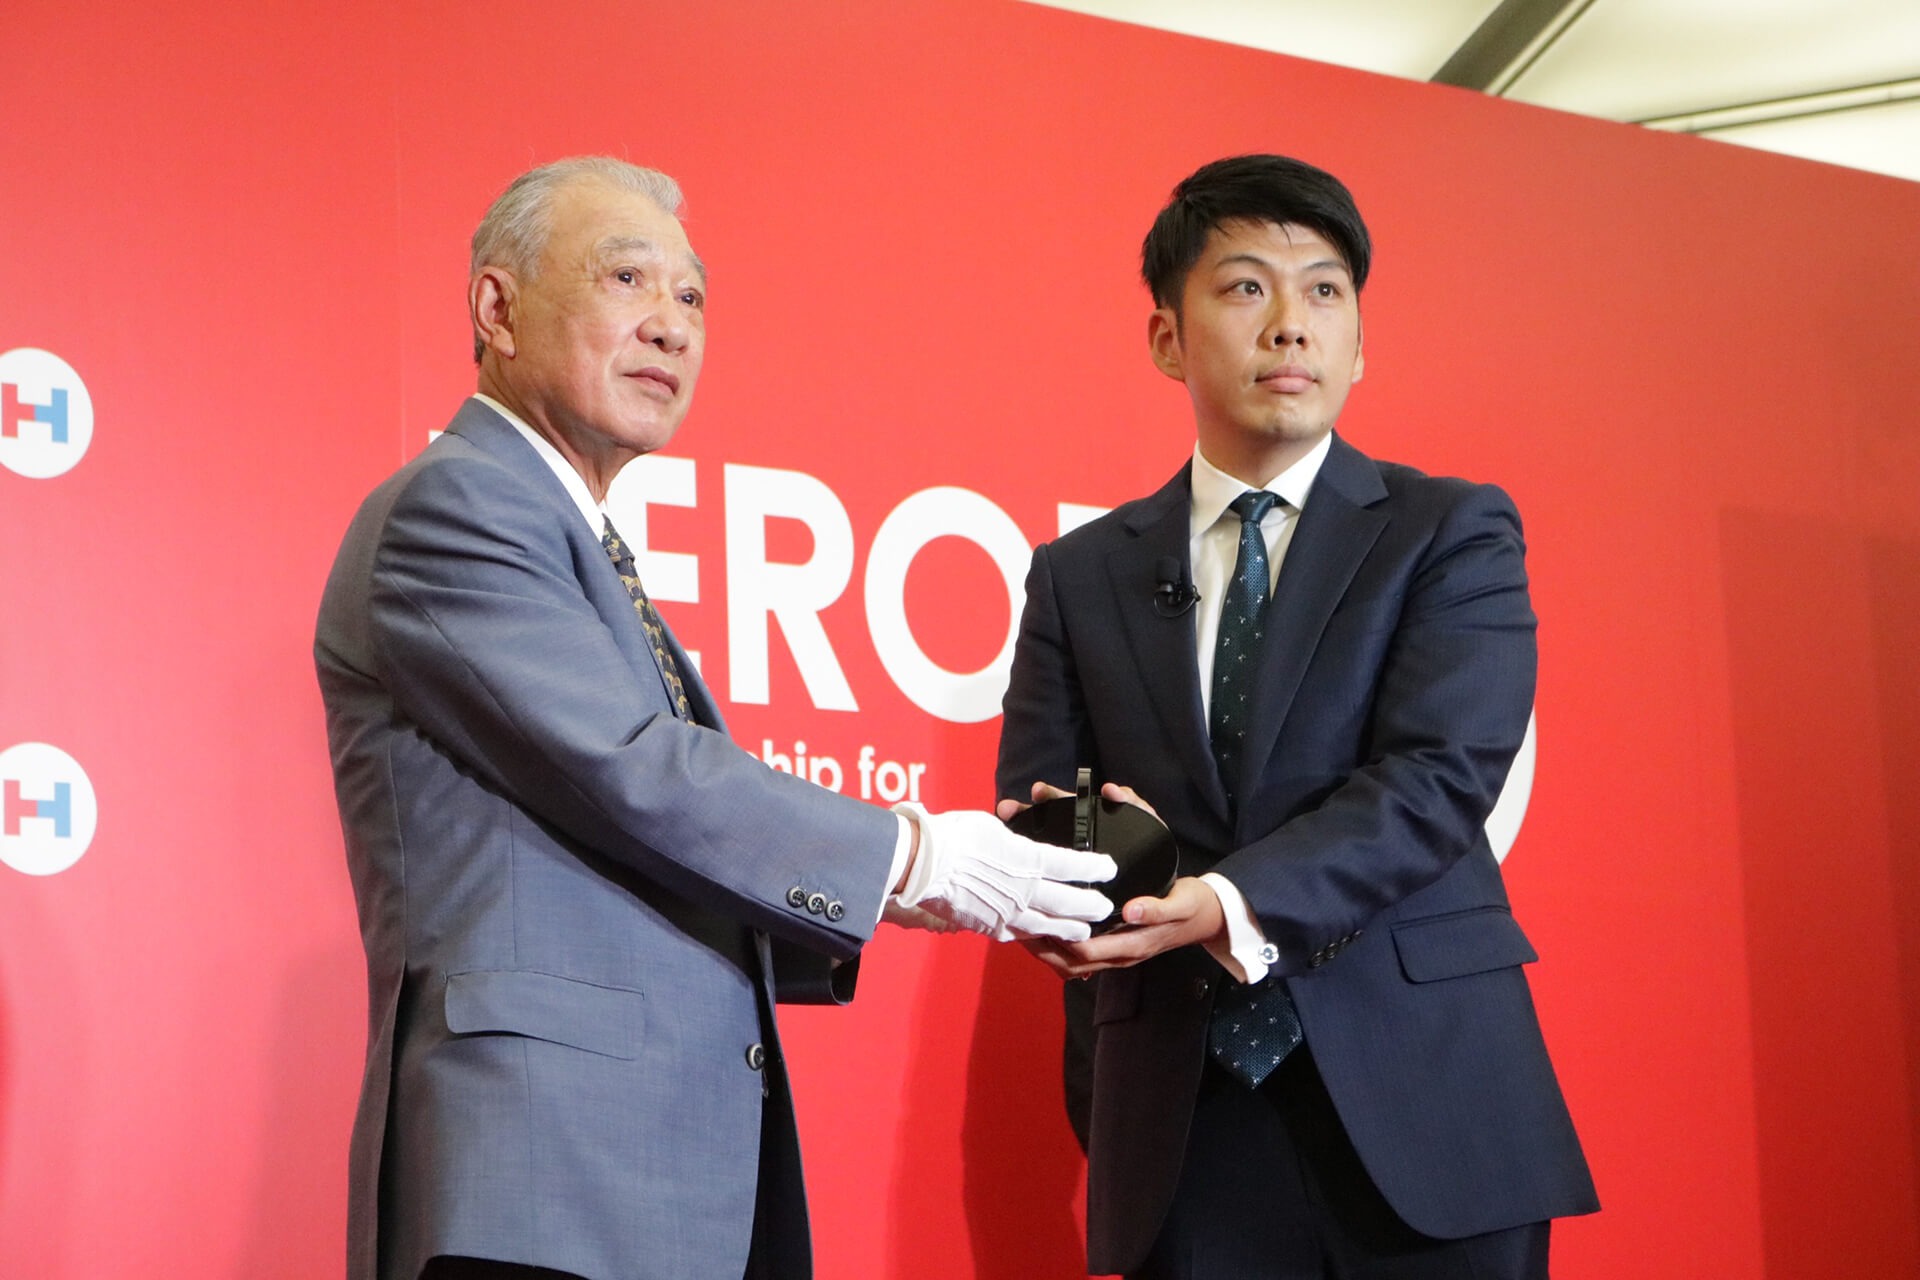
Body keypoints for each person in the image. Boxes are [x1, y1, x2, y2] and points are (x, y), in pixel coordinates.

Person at [315, 155, 1114, 1280]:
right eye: (627, 278)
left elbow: (637, 836)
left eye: (691, 296)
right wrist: (915, 855)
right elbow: (636, 771)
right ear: (497, 307)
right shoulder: (458, 506)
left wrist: (935, 882)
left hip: (645, 1177)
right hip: (542, 1181)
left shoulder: (573, 535)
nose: (672, 326)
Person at [995, 154, 1597, 1280]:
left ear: (1360, 345)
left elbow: (1438, 775)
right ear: (1167, 339)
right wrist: (1067, 874)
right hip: (1187, 1118)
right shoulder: (1078, 574)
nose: (1291, 326)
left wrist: (1226, 899)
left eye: (1324, 292)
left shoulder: (1449, 531)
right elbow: (1041, 797)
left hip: (1430, 1102)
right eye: (1245, 288)